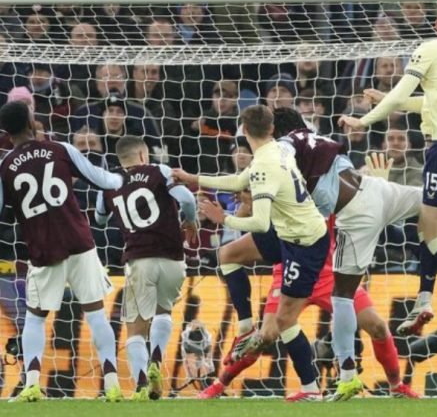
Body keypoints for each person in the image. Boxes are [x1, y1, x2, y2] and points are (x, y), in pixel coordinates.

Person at [183, 108, 419, 401]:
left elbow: (357, 196)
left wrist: (377, 182)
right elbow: (246, 216)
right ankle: (222, 384)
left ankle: (396, 386)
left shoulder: (315, 172)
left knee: (377, 326)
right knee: (267, 333)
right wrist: (242, 202)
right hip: (290, 267)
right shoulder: (278, 170)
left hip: (328, 269)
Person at [339, 1, 437, 343]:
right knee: (428, 223)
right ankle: (424, 298)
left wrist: (363, 120)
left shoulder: (430, 48)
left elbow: (400, 97)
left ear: (436, 24)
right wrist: (387, 97)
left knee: (435, 232)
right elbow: (429, 102)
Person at [173, 105, 327, 401]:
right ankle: (245, 327)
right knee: (228, 255)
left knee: (284, 321)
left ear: (243, 130)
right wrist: (192, 177)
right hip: (288, 234)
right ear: (272, 129)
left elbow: (260, 222)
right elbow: (238, 181)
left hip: (304, 244)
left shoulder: (265, 165)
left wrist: (224, 219)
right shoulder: (278, 150)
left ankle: (311, 389)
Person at [0, 101, 125, 402]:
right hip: (79, 242)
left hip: (44, 250)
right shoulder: (60, 149)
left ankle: (32, 385)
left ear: (6, 132)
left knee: (35, 317)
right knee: (95, 313)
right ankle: (112, 385)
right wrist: (126, 177)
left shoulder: (5, 167)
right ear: (31, 123)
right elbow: (103, 180)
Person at [94, 136, 198, 401]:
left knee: (135, 329)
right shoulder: (159, 171)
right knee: (164, 311)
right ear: (143, 155)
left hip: (139, 259)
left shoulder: (109, 181)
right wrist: (190, 221)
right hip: (173, 258)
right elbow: (187, 199)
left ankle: (141, 385)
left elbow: (99, 218)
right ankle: (156, 360)